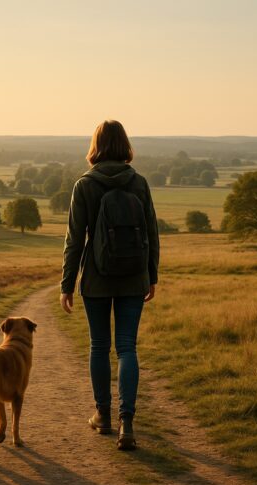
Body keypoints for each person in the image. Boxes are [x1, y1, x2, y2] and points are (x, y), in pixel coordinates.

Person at [60, 120, 159, 450]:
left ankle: (102, 416)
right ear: (125, 145)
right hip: (134, 277)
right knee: (127, 347)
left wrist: (67, 284)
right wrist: (152, 275)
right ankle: (126, 423)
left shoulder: (84, 185)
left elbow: (75, 240)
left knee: (100, 346)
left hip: (97, 280)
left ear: (95, 146)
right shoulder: (139, 183)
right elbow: (151, 233)